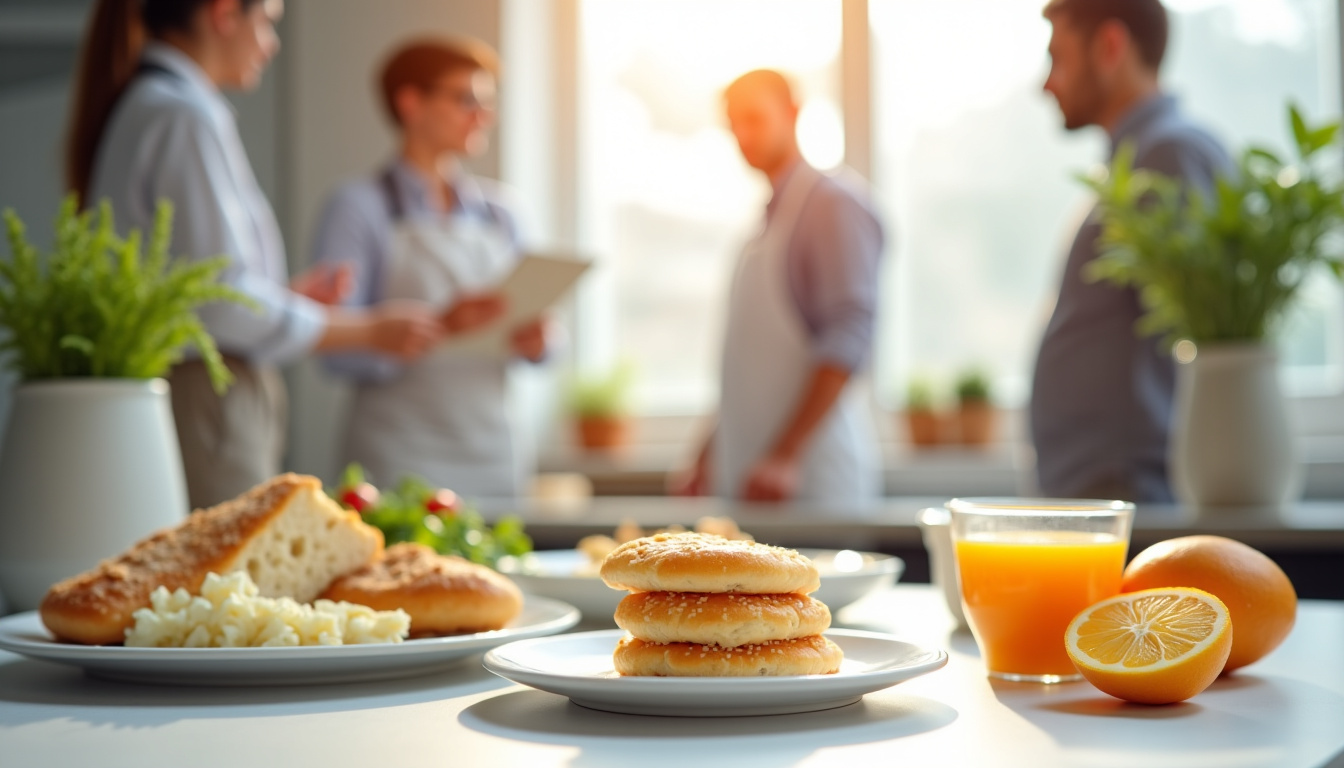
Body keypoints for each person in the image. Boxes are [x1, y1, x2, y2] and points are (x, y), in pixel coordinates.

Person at [66, 0, 500, 509]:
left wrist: (280, 298)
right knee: (227, 580)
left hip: (204, 384)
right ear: (225, 13)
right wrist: (368, 330)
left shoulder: (158, 105)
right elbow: (222, 303)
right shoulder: (182, 113)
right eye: (268, 22)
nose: (271, 44)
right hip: (207, 390)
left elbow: (202, 289)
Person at [309, 37, 550, 498]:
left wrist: (538, 340)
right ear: (411, 103)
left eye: (487, 101)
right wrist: (441, 325)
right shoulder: (357, 207)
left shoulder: (505, 213)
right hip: (398, 454)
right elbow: (335, 348)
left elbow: (545, 346)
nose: (483, 115)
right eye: (466, 99)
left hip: (493, 453)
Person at [1031, 0, 1232, 502]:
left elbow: (1211, 333)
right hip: (1108, 487)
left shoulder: (1171, 155)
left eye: (1058, 57)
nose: (1046, 83)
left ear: (1110, 47)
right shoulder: (1136, 163)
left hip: (1131, 490)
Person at [671, 69, 884, 504]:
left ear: (793, 113)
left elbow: (849, 337)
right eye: (733, 126)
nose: (743, 136)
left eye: (754, 119)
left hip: (812, 485)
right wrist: (707, 451)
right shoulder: (763, 223)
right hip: (751, 483)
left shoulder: (832, 205)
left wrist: (786, 454)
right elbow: (748, 364)